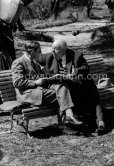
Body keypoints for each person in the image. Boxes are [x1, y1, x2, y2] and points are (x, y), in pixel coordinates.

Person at [11, 42, 83, 134]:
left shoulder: (35, 63)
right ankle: (65, 122)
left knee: (62, 85)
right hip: (27, 94)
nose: (41, 53)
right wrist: (35, 82)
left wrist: (56, 77)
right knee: (61, 94)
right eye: (39, 51)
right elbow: (17, 82)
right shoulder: (18, 62)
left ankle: (67, 118)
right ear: (32, 52)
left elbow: (42, 77)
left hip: (39, 90)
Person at [40, 39, 106, 135]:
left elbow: (86, 68)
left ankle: (101, 124)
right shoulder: (49, 57)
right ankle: (69, 122)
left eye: (55, 49)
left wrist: (77, 71)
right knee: (63, 91)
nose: (52, 51)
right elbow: (32, 58)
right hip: (66, 88)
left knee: (92, 96)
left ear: (63, 50)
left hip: (80, 84)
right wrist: (40, 70)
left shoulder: (76, 55)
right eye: (52, 49)